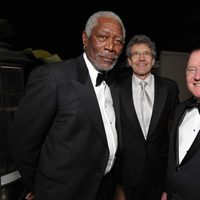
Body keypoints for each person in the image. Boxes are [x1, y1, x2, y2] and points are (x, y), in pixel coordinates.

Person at [8, 11, 126, 200]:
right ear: (85, 39)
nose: (111, 47)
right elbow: (22, 142)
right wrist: (40, 186)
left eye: (118, 41)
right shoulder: (53, 77)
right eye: (103, 37)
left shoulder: (115, 84)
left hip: (103, 191)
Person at [114, 34, 179, 200]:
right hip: (128, 175)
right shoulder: (116, 89)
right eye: (136, 54)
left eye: (147, 53)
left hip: (159, 172)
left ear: (153, 59)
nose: (141, 58)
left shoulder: (170, 88)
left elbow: (177, 130)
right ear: (129, 60)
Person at [166, 48, 200, 200]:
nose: (197, 76)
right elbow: (172, 159)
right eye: (191, 70)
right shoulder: (180, 109)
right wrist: (167, 190)